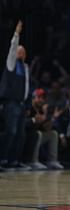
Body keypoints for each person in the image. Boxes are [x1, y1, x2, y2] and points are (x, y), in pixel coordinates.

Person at [0, 20, 30, 170]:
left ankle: (15, 161)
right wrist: (17, 33)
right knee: (10, 132)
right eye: (19, 51)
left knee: (20, 134)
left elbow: (26, 88)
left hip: (21, 104)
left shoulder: (25, 67)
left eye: (23, 51)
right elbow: (12, 48)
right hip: (11, 103)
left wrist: (27, 103)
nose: (21, 53)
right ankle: (4, 160)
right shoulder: (12, 64)